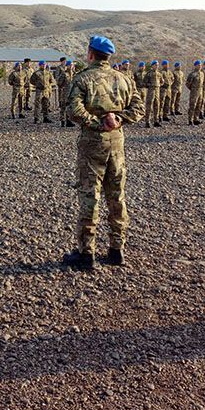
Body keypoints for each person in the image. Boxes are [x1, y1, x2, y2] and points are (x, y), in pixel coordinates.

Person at [62, 35, 144, 270]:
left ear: (90, 54)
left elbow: (74, 110)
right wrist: (117, 118)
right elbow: (138, 108)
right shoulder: (124, 79)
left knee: (90, 195)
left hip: (92, 143)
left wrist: (98, 123)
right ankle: (117, 250)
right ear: (108, 56)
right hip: (116, 143)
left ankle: (86, 254)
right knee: (116, 195)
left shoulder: (83, 78)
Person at [56, 60, 76, 127]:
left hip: (72, 94)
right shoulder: (64, 74)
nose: (71, 66)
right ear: (67, 66)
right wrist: (63, 87)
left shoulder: (74, 74)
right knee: (63, 108)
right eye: (70, 65)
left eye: (72, 65)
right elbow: (59, 83)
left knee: (69, 108)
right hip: (65, 93)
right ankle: (62, 121)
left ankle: (68, 121)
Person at [143, 60, 162, 127]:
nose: (157, 66)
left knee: (157, 106)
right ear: (152, 65)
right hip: (151, 91)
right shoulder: (149, 74)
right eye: (155, 65)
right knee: (149, 106)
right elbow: (144, 82)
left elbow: (162, 81)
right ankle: (147, 121)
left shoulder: (159, 74)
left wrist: (158, 85)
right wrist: (150, 85)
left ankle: (156, 121)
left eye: (157, 65)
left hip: (157, 91)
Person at [186, 60, 203, 126]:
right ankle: (190, 120)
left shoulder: (202, 74)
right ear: (195, 66)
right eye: (198, 65)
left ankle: (196, 119)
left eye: (200, 65)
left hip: (200, 91)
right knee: (192, 106)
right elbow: (187, 84)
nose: (200, 66)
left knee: (199, 106)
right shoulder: (192, 74)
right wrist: (192, 89)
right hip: (194, 92)